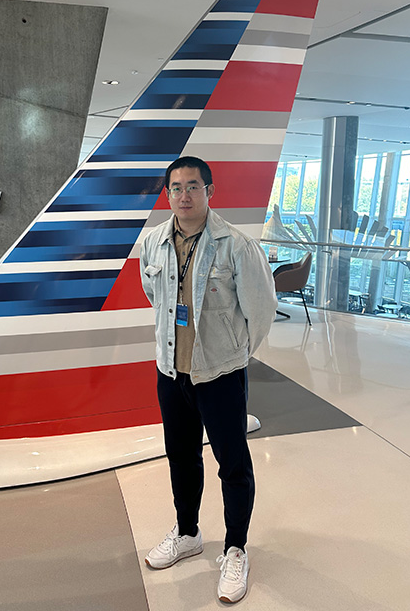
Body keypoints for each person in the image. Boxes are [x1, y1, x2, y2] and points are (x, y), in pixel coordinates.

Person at [139, 156, 277, 604]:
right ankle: (187, 532)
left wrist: (234, 355)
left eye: (192, 187)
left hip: (219, 375)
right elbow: (153, 295)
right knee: (181, 457)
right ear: (167, 194)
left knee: (232, 465)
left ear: (210, 192)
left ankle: (235, 548)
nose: (183, 195)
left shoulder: (236, 245)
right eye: (175, 187)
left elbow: (261, 311)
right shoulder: (155, 243)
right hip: (170, 372)